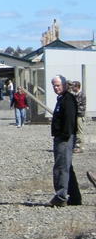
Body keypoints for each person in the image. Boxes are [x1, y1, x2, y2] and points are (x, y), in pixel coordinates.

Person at [46, 75, 82, 207]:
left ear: (65, 85)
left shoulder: (68, 99)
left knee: (61, 167)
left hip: (64, 138)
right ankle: (75, 197)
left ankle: (60, 197)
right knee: (67, 167)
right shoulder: (62, 99)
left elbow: (70, 119)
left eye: (58, 85)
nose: (56, 88)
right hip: (61, 137)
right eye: (54, 86)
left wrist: (65, 136)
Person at [71, 81, 86, 153]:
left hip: (79, 115)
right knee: (75, 131)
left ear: (77, 87)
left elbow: (76, 104)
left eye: (73, 86)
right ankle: (76, 145)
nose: (72, 88)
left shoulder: (81, 95)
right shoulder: (75, 95)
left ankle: (81, 147)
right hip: (75, 115)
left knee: (80, 131)